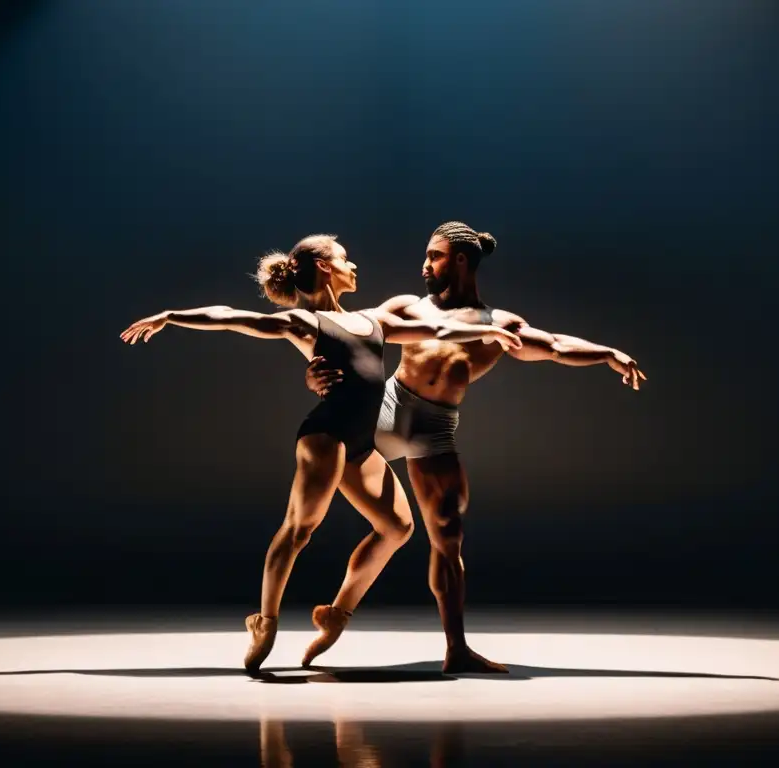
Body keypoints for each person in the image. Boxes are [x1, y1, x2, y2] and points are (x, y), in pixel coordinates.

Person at [119, 233, 521, 673]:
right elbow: (234, 318)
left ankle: (335, 614)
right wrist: (170, 316)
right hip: (326, 436)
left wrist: (486, 329)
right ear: (326, 268)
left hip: (360, 444)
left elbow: (437, 328)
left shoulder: (373, 321)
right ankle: (265, 624)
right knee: (300, 528)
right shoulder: (305, 323)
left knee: (399, 526)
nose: (354, 266)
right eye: (345, 259)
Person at [303, 221, 647, 674]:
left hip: (434, 429)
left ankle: (455, 647)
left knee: (447, 537)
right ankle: (337, 614)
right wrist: (314, 372)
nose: (425, 265)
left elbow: (557, 345)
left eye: (435, 256)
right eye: (426, 256)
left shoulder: (497, 325)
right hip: (386, 411)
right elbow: (344, 334)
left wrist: (607, 353)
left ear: (461, 260)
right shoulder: (406, 307)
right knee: (370, 521)